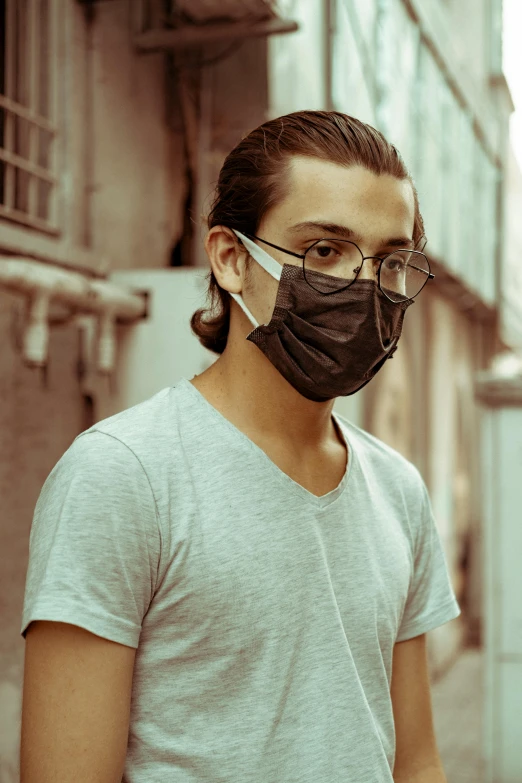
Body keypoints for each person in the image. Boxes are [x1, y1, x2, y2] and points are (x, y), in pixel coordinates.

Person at [20, 111, 460, 783]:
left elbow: (416, 760)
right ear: (230, 258)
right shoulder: (122, 475)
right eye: (322, 251)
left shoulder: (398, 489)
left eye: (391, 261)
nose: (364, 286)